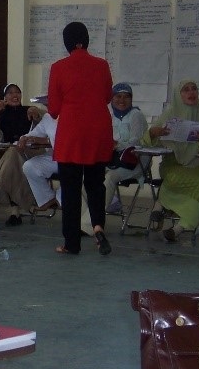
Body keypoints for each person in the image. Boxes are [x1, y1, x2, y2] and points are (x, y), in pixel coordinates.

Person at [47, 22, 113, 256]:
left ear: (67, 42)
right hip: (99, 132)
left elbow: (54, 109)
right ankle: (98, 227)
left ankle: (71, 243)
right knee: (96, 185)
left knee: (71, 189)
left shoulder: (58, 67)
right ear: (86, 39)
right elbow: (107, 97)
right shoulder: (102, 65)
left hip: (72, 135)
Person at [143, 79, 199, 243]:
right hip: (174, 162)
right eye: (186, 90)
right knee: (173, 177)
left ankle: (178, 228)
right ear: (179, 95)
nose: (191, 92)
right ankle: (160, 205)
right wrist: (155, 133)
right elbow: (147, 141)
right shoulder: (170, 114)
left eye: (194, 89)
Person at [0, 83, 42, 226]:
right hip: (15, 156)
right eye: (10, 93)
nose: (14, 95)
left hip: (32, 152)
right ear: (4, 97)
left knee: (12, 152)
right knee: (14, 157)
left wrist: (37, 116)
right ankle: (15, 213)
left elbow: (43, 129)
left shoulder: (29, 110)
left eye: (17, 92)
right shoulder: (2, 115)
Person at [102, 82, 148, 214]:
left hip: (134, 161)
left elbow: (136, 142)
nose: (122, 100)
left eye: (126, 96)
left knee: (109, 178)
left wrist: (117, 145)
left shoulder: (136, 115)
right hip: (113, 160)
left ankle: (91, 220)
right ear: (112, 98)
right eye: (118, 96)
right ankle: (90, 213)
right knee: (88, 177)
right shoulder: (109, 115)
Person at [21, 112, 62, 211]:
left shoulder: (73, 112)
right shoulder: (48, 117)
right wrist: (24, 138)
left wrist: (46, 141)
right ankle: (47, 199)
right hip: (55, 158)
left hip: (74, 158)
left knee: (71, 169)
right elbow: (35, 134)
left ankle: (60, 199)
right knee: (30, 166)